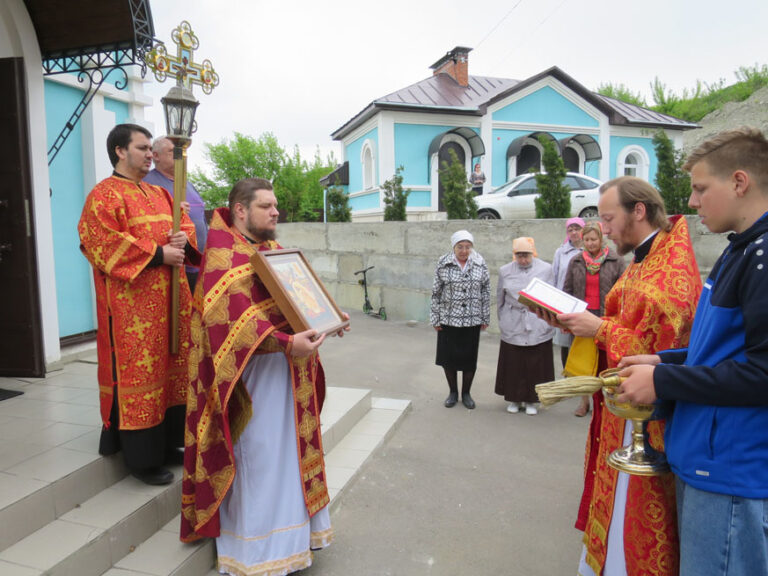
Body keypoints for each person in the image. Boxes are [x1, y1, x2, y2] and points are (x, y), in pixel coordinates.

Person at [617, 127, 768, 575]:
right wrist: (664, 360)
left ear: (739, 182)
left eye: (701, 188)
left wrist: (662, 381)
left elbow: (762, 374)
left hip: (731, 472)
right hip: (705, 461)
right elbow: (725, 350)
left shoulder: (762, 258)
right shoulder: (737, 251)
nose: (694, 202)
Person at [539, 176, 701, 576]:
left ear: (639, 211)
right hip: (621, 413)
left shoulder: (672, 274)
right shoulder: (646, 258)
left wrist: (599, 329)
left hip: (648, 425)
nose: (604, 229)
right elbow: (622, 323)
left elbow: (665, 351)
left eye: (609, 219)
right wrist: (577, 324)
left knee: (636, 522)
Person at [181, 178, 343, 575]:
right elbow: (233, 322)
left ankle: (294, 542)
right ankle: (255, 555)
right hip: (249, 384)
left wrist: (329, 318)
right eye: (267, 207)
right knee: (262, 458)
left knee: (287, 456)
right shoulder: (222, 258)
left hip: (288, 377)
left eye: (275, 207)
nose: (276, 213)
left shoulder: (270, 249)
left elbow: (298, 299)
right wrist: (287, 343)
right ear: (240, 210)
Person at [78, 123, 199, 485]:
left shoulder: (159, 194)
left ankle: (168, 444)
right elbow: (98, 243)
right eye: (143, 148)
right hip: (132, 312)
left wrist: (183, 235)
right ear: (120, 151)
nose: (150, 154)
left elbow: (187, 229)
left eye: (151, 149)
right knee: (140, 376)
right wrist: (160, 253)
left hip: (172, 304)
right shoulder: (103, 196)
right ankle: (141, 459)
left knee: (173, 371)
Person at [563, 222, 626, 416]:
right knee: (583, 360)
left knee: (605, 361)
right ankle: (584, 402)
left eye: (594, 239)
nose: (590, 243)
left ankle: (606, 401)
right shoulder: (576, 261)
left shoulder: (616, 261)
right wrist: (566, 318)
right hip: (582, 316)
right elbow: (568, 290)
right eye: (587, 240)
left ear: (601, 239)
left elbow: (623, 291)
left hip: (606, 318)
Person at [430, 230, 491, 410]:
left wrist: (485, 317)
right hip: (449, 319)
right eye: (460, 247)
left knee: (468, 358)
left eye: (467, 247)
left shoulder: (480, 263)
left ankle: (466, 393)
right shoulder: (443, 263)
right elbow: (436, 293)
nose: (464, 251)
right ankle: (453, 392)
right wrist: (435, 318)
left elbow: (486, 292)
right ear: (453, 247)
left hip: (472, 319)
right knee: (448, 358)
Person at [494, 237, 554, 415]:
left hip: (537, 318)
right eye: (519, 256)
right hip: (513, 319)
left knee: (536, 363)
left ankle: (532, 401)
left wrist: (549, 320)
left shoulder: (545, 269)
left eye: (526, 255)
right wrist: (503, 320)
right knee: (515, 362)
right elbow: (500, 299)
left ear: (533, 253)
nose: (523, 260)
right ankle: (514, 398)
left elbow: (551, 296)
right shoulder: (505, 271)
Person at [143, 136, 208, 291]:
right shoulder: (147, 183)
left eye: (182, 152)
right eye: (173, 151)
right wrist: (171, 209)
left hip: (200, 264)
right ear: (156, 156)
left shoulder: (187, 184)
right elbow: (144, 217)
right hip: (177, 266)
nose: (180, 156)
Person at [552, 217, 585, 369]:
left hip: (583, 300)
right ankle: (567, 372)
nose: (573, 232)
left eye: (577, 228)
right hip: (563, 301)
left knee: (581, 339)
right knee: (565, 341)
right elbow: (554, 274)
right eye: (570, 230)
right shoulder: (561, 252)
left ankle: (581, 373)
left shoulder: (589, 250)